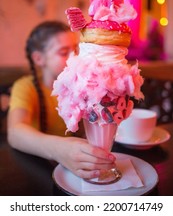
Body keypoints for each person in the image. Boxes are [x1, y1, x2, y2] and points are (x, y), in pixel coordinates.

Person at [7, 20, 115, 180]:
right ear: (39, 59)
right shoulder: (26, 87)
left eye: (76, 50)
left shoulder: (86, 85)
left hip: (84, 165)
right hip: (41, 169)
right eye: (64, 52)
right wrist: (58, 149)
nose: (74, 58)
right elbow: (15, 132)